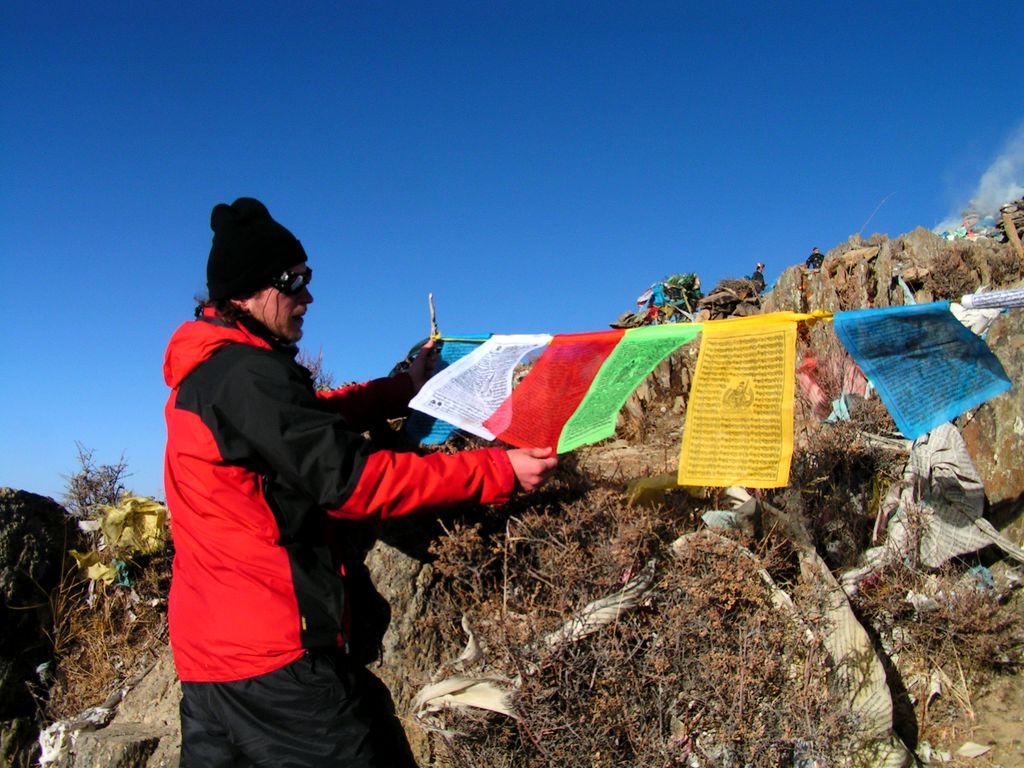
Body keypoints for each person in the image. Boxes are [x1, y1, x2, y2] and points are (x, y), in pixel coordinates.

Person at [162, 197, 558, 767]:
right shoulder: (247, 376)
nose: (308, 296)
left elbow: (306, 421)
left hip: (210, 666)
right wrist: (499, 469)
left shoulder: (214, 371)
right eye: (294, 281)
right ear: (251, 289)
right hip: (278, 662)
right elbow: (352, 481)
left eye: (307, 278)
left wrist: (398, 390)